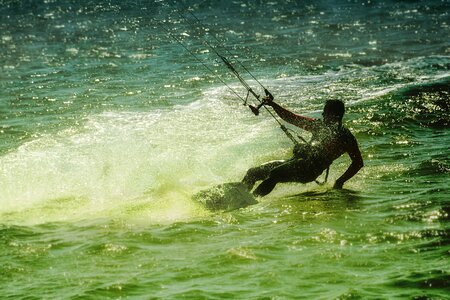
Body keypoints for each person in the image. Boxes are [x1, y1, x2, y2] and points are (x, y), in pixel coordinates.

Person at [242, 98, 363, 197]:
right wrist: (273, 105)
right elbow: (291, 118)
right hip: (295, 162)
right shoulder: (318, 125)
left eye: (325, 113)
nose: (322, 115)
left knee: (275, 174)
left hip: (309, 171)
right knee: (253, 172)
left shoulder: (346, 137)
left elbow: (358, 162)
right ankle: (238, 194)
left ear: (334, 115)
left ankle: (250, 200)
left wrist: (340, 181)